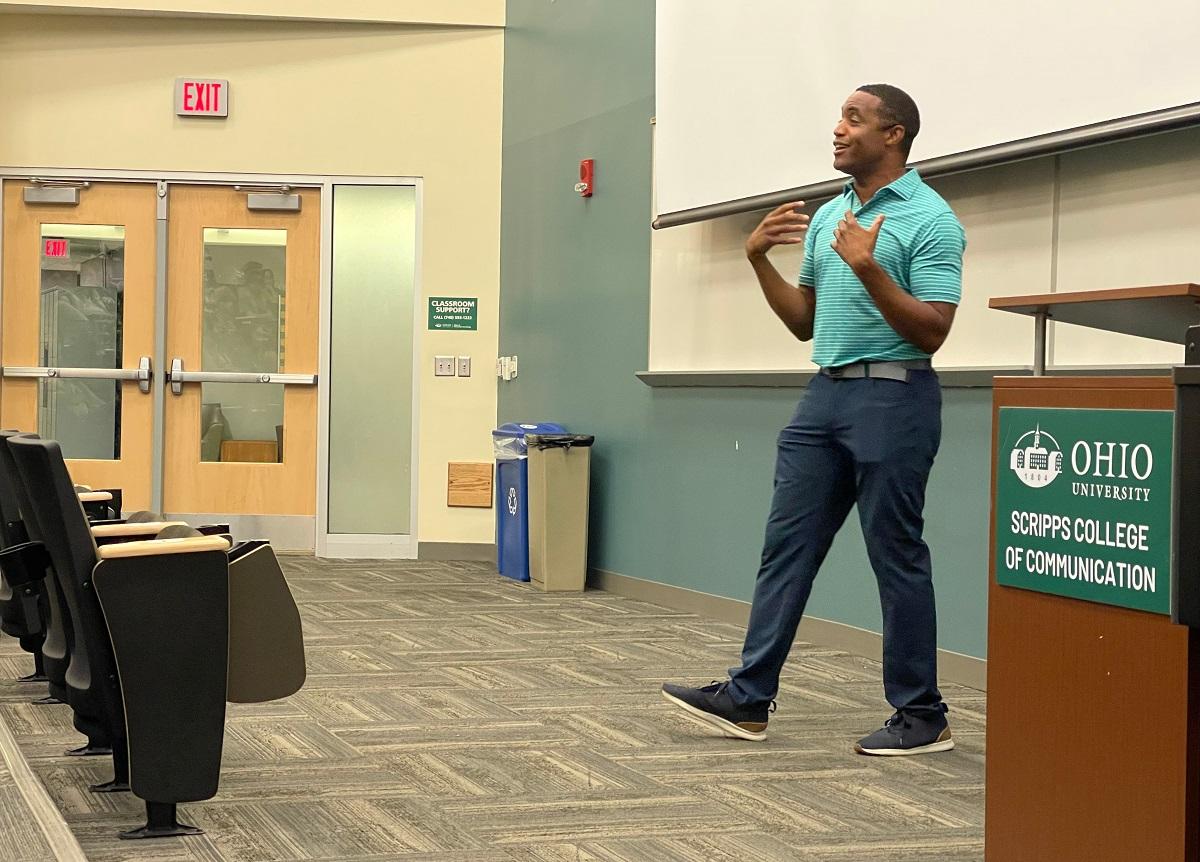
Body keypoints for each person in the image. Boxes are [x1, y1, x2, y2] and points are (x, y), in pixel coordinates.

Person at [662, 84, 965, 756]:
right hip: (822, 397)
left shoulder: (931, 219)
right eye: (839, 117)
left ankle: (922, 715)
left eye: (854, 119)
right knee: (785, 548)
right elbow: (803, 321)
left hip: (896, 395)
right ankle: (748, 698)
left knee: (896, 557)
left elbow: (934, 332)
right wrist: (755, 259)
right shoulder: (831, 215)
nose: (838, 129)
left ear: (894, 134)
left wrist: (871, 271)